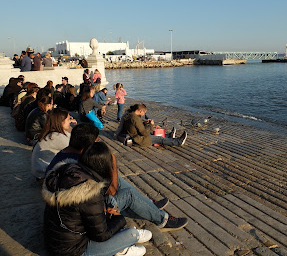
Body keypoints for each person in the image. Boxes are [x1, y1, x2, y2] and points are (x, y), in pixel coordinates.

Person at [46, 124, 188, 234]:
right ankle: (162, 220)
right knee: (128, 194)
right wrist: (112, 161)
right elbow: (111, 192)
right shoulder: (78, 167)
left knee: (118, 180)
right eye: (97, 141)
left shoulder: (64, 155)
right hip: (85, 216)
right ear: (86, 146)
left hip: (74, 208)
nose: (99, 143)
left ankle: (149, 205)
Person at [43, 141, 151, 256]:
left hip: (56, 241)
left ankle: (119, 243)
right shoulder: (90, 191)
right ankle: (121, 248)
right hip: (73, 251)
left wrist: (104, 211)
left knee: (110, 201)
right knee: (132, 235)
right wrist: (118, 218)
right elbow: (101, 235)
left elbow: (82, 212)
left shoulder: (67, 172)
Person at [31, 107, 76, 180]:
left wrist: (69, 127)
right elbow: (76, 148)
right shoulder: (57, 137)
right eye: (68, 119)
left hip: (40, 171)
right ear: (61, 122)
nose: (70, 122)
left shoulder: (52, 133)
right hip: (44, 175)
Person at [118, 104, 187, 147]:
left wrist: (144, 123)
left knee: (154, 135)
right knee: (160, 139)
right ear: (141, 111)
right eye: (144, 112)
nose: (144, 114)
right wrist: (151, 125)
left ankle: (169, 136)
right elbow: (144, 133)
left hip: (134, 136)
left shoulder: (130, 115)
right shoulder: (136, 118)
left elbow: (135, 126)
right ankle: (179, 142)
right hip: (139, 139)